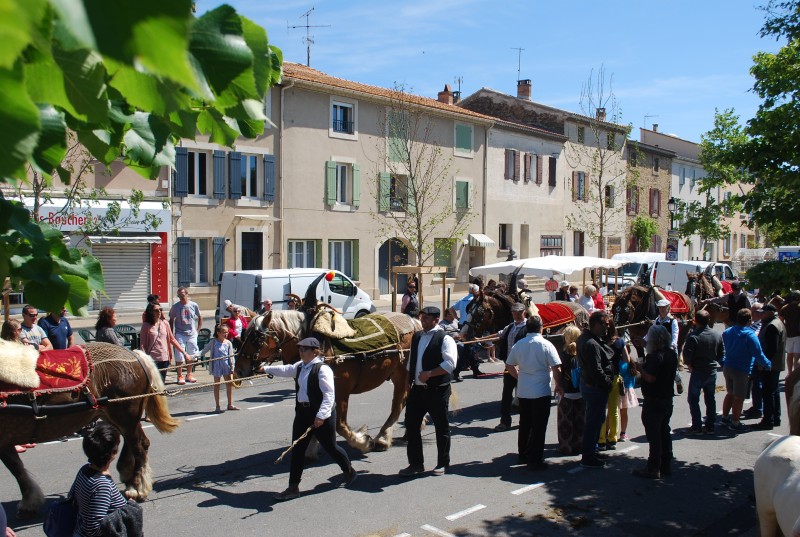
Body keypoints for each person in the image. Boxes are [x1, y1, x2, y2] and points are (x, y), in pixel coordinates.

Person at [259, 337, 356, 500]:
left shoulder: (322, 369)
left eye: (304, 349)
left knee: (331, 447)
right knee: (297, 449)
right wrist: (266, 369)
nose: (301, 352)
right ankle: (293, 487)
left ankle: (349, 471)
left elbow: (329, 396)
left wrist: (321, 416)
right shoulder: (300, 366)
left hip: (321, 414)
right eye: (300, 349)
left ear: (315, 352)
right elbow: (286, 370)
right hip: (302, 414)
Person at [399, 306, 457, 477]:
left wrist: (430, 374)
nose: (422, 321)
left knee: (441, 426)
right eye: (421, 318)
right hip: (418, 390)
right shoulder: (417, 337)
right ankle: (416, 464)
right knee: (411, 425)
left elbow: (450, 364)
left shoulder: (445, 338)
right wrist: (408, 382)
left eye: (426, 318)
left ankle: (443, 463)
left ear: (436, 319)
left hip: (437, 390)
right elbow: (412, 361)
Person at [505, 315, 563, 470]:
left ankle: (523, 454)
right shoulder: (546, 344)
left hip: (524, 390)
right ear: (541, 328)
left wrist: (519, 376)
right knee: (539, 426)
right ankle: (535, 459)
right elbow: (556, 367)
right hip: (541, 390)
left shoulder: (519, 344)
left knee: (525, 423)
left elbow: (509, 365)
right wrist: (559, 385)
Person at [70, 422, 141, 536]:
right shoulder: (102, 485)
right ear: (112, 453)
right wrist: (129, 509)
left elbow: (73, 499)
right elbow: (92, 528)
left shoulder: (84, 470)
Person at [632, 324, 678, 479]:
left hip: (654, 399)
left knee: (654, 435)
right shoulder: (671, 354)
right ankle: (666, 464)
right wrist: (644, 344)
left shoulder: (655, 357)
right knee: (664, 431)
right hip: (666, 398)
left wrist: (640, 369)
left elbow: (650, 377)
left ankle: (653, 467)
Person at [721, 308, 771, 431]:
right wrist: (768, 364)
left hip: (728, 366)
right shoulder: (750, 336)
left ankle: (725, 417)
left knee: (730, 393)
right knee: (739, 397)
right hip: (741, 369)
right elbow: (759, 354)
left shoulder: (727, 332)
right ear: (749, 321)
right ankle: (735, 423)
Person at [577, 310, 614, 468]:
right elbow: (596, 370)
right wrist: (608, 383)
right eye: (604, 324)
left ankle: (592, 451)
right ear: (596, 324)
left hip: (591, 386)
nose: (607, 327)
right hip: (595, 387)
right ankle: (588, 457)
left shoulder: (586, 338)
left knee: (596, 421)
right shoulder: (591, 343)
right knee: (593, 422)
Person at [682, 309, 724, 435]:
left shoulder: (693, 336)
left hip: (698, 371)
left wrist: (690, 366)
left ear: (695, 321)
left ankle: (696, 426)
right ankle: (710, 426)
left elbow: (687, 356)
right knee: (710, 398)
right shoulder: (716, 335)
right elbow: (721, 354)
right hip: (711, 371)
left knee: (693, 399)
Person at [494, 303, 528, 431]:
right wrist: (479, 339)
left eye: (519, 313)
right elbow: (499, 335)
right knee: (506, 395)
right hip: (509, 366)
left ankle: (525, 421)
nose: (516, 315)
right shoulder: (510, 327)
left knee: (524, 396)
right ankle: (505, 421)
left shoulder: (528, 327)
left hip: (524, 367)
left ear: (524, 312)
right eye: (514, 313)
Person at [140, 302, 189, 383]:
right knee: (153, 383)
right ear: (151, 312)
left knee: (161, 383)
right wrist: (144, 359)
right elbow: (142, 345)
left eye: (160, 309)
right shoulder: (146, 325)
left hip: (164, 358)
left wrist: (184, 353)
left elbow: (172, 339)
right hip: (152, 359)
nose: (159, 312)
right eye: (156, 310)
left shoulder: (165, 323)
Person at [755, 303, 786, 430]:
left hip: (770, 365)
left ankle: (768, 420)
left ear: (770, 313)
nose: (760, 315)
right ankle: (775, 418)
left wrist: (764, 363)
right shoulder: (776, 323)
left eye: (763, 313)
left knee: (768, 393)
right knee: (773, 392)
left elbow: (772, 349)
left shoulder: (772, 326)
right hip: (775, 364)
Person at [598, 321, 628, 451]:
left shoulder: (599, 342)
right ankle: (612, 439)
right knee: (614, 410)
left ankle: (601, 440)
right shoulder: (620, 342)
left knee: (601, 410)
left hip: (603, 378)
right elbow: (626, 359)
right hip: (615, 377)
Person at [557, 325, 584, 455]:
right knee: (580, 419)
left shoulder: (562, 354)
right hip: (581, 390)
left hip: (566, 391)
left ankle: (566, 447)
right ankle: (580, 445)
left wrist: (558, 384)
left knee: (565, 421)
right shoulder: (582, 352)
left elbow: (558, 372)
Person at [199, 324, 238, 412]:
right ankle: (217, 406)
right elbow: (204, 350)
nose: (226, 334)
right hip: (216, 365)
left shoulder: (228, 343)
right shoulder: (213, 342)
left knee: (229, 385)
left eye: (227, 332)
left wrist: (232, 367)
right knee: (217, 385)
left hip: (226, 365)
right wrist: (194, 356)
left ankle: (230, 404)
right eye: (224, 332)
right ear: (218, 333)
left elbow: (231, 356)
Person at [169, 287, 201, 384]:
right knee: (179, 355)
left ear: (187, 294)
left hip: (192, 333)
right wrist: (171, 333)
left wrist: (197, 330)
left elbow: (200, 317)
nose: (181, 297)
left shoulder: (193, 305)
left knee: (191, 354)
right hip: (180, 333)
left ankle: (189, 374)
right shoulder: (175, 307)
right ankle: (179, 375)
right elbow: (171, 320)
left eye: (182, 295)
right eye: (179, 296)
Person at [618, 343, 639, 442]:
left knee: (612, 413)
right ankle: (623, 433)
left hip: (619, 389)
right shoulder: (632, 363)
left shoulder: (619, 363)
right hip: (628, 390)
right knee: (624, 413)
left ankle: (607, 432)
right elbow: (633, 380)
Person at [779, 290, 800, 377]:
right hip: (798, 335)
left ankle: (790, 373)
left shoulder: (785, 307)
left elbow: (780, 320)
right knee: (797, 356)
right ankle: (796, 376)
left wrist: (786, 327)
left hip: (788, 334)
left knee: (789, 354)